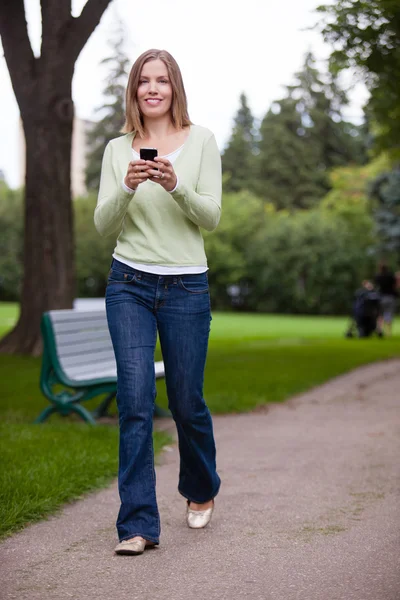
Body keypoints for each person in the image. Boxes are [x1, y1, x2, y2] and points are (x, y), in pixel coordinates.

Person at [94, 49, 222, 556]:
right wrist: (127, 185)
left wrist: (176, 187)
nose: (152, 89)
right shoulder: (115, 149)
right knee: (134, 401)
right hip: (128, 282)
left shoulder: (203, 141)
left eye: (162, 81)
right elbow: (104, 225)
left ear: (174, 89)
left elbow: (210, 217)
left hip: (186, 286)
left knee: (187, 403)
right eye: (144, 81)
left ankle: (201, 485)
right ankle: (137, 525)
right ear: (134, 90)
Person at [374, 262, 398, 336]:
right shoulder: (391, 276)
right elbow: (395, 285)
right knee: (389, 314)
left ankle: (379, 329)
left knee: (380, 314)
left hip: (381, 297)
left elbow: (376, 286)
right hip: (390, 297)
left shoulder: (378, 276)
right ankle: (388, 332)